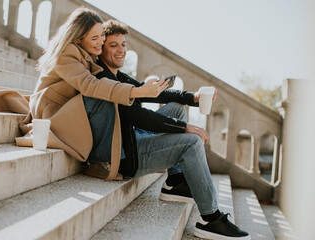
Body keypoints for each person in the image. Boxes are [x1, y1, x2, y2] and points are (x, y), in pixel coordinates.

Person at [83, 19, 251, 240]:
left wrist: (193, 97)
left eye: (123, 44)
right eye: (113, 45)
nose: (121, 50)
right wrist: (185, 128)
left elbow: (157, 93)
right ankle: (210, 219)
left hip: (129, 138)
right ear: (101, 47)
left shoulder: (116, 75)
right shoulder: (103, 79)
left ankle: (175, 183)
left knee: (176, 108)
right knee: (191, 142)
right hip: (122, 156)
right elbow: (139, 117)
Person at [14, 7, 170, 181]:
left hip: (70, 108)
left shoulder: (87, 54)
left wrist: (141, 89)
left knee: (112, 96)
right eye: (94, 38)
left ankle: (135, 155)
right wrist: (135, 91)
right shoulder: (67, 53)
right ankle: (99, 162)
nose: (100, 42)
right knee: (102, 96)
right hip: (53, 112)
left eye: (102, 35)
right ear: (79, 39)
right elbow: (90, 85)